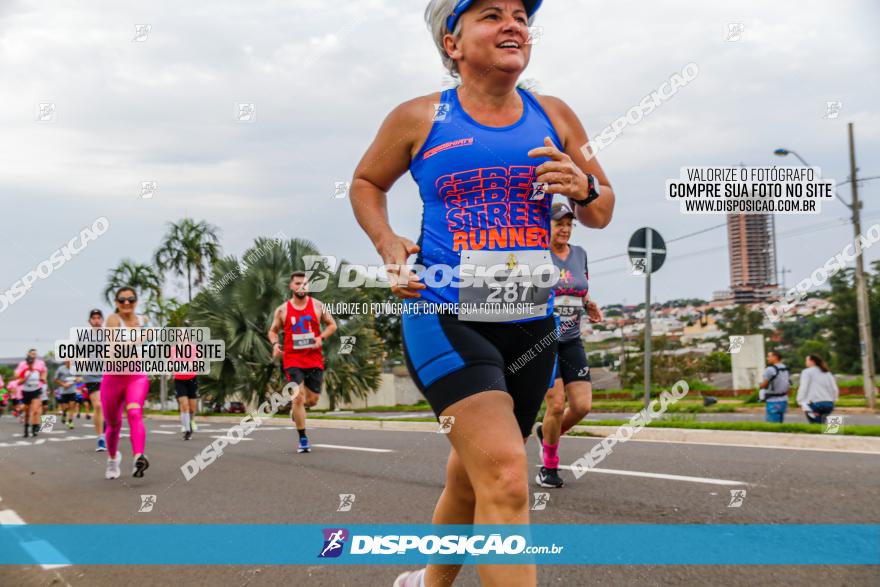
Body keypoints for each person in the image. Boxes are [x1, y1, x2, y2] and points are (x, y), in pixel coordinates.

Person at [351, 2, 615, 585]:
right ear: (453, 43)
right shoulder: (419, 118)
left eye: (520, 14)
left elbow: (602, 210)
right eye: (492, 14)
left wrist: (586, 184)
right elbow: (367, 181)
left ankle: (428, 581)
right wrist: (387, 241)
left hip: (530, 321)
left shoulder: (557, 115)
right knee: (504, 474)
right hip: (444, 311)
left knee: (472, 477)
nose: (513, 24)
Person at [534, 202, 602, 488]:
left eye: (569, 224)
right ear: (546, 225)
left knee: (583, 406)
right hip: (544, 340)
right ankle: (549, 467)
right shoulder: (536, 256)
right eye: (558, 223)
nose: (564, 228)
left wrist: (589, 304)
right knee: (557, 404)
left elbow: (581, 288)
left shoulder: (580, 254)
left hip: (572, 339)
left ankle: (547, 433)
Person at [268, 272, 337, 453]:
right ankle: (303, 438)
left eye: (305, 284)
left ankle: (296, 410)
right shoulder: (282, 310)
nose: (301, 287)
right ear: (291, 286)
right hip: (292, 359)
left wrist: (321, 337)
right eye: (298, 283)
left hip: (314, 358)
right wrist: (275, 344)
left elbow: (332, 324)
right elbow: (273, 331)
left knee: (312, 400)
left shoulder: (317, 306)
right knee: (297, 396)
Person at [101, 287, 151, 479]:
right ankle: (113, 459)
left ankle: (139, 456)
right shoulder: (114, 320)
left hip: (136, 376)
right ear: (116, 303)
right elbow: (115, 347)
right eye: (122, 300)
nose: (127, 303)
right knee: (113, 424)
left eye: (131, 299)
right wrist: (139, 339)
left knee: (134, 411)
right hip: (113, 378)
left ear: (136, 301)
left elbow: (149, 333)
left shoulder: (143, 320)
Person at [83, 309, 107, 451]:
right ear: (90, 321)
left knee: (107, 407)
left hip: (107, 375)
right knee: (98, 406)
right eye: (94, 318)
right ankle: (101, 438)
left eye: (99, 317)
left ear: (102, 320)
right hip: (91, 375)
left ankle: (107, 429)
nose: (96, 320)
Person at [796, 354, 839, 424]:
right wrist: (834, 400)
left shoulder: (807, 372)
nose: (805, 362)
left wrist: (799, 401)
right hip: (828, 403)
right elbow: (834, 389)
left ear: (812, 361)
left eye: (807, 360)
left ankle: (821, 434)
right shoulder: (827, 373)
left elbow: (803, 387)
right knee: (827, 426)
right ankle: (832, 434)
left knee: (816, 426)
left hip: (813, 403)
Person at [16, 349, 48, 438]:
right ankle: (26, 429)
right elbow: (18, 381)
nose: (31, 364)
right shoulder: (23, 367)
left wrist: (43, 378)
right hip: (26, 391)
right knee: (27, 413)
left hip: (36, 390)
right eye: (32, 354)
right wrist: (27, 375)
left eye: (35, 354)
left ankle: (35, 429)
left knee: (35, 410)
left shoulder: (39, 365)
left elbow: (44, 372)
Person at [173, 343, 200, 441]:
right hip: (179, 380)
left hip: (192, 379)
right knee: (184, 405)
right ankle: (187, 429)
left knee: (192, 407)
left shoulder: (194, 348)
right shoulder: (173, 350)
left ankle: (191, 421)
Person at [759, 351, 791, 423]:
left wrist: (760, 385)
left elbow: (764, 385)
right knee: (780, 423)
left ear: (775, 357)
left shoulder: (770, 369)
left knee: (772, 425)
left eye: (769, 356)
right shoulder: (786, 368)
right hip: (784, 400)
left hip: (773, 401)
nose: (768, 358)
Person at [54, 360, 78, 430]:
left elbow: (78, 377)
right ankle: (64, 414)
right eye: (67, 361)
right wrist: (63, 384)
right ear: (65, 362)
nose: (69, 362)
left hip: (72, 390)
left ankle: (70, 422)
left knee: (72, 406)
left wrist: (76, 379)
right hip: (64, 392)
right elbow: (55, 379)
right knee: (65, 407)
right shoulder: (60, 369)